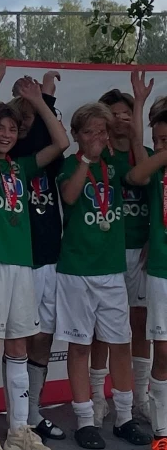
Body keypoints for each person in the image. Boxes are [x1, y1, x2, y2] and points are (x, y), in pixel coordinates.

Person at [0, 73, 69, 450]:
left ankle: (19, 430)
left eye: (12, 129)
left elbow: (61, 143)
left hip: (22, 265)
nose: (6, 134)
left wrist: (39, 101)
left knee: (19, 346)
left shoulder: (23, 167)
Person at [55, 76, 152, 450]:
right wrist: (86, 158)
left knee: (120, 343)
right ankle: (85, 419)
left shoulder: (116, 163)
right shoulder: (70, 164)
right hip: (77, 270)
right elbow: (70, 196)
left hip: (112, 271)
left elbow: (140, 167)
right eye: (90, 131)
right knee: (80, 345)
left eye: (102, 131)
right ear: (77, 135)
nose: (97, 137)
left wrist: (137, 108)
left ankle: (125, 417)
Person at [88, 86, 152, 425]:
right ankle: (98, 399)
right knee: (101, 330)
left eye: (127, 113)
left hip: (141, 252)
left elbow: (157, 195)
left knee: (139, 325)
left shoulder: (148, 153)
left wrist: (156, 238)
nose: (121, 120)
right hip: (107, 254)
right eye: (113, 115)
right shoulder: (99, 157)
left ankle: (140, 398)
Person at [9, 70, 66, 440]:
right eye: (21, 119)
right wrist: (40, 98)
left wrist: (43, 101)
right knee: (17, 338)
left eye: (31, 118)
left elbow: (59, 141)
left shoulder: (47, 155)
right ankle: (16, 418)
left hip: (49, 257)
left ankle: (33, 413)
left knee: (43, 336)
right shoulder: (10, 155)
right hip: (19, 260)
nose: (27, 124)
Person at [126, 106, 167, 450]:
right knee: (163, 353)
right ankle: (161, 436)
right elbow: (136, 174)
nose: (160, 146)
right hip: (161, 271)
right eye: (157, 141)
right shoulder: (157, 170)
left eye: (166, 140)